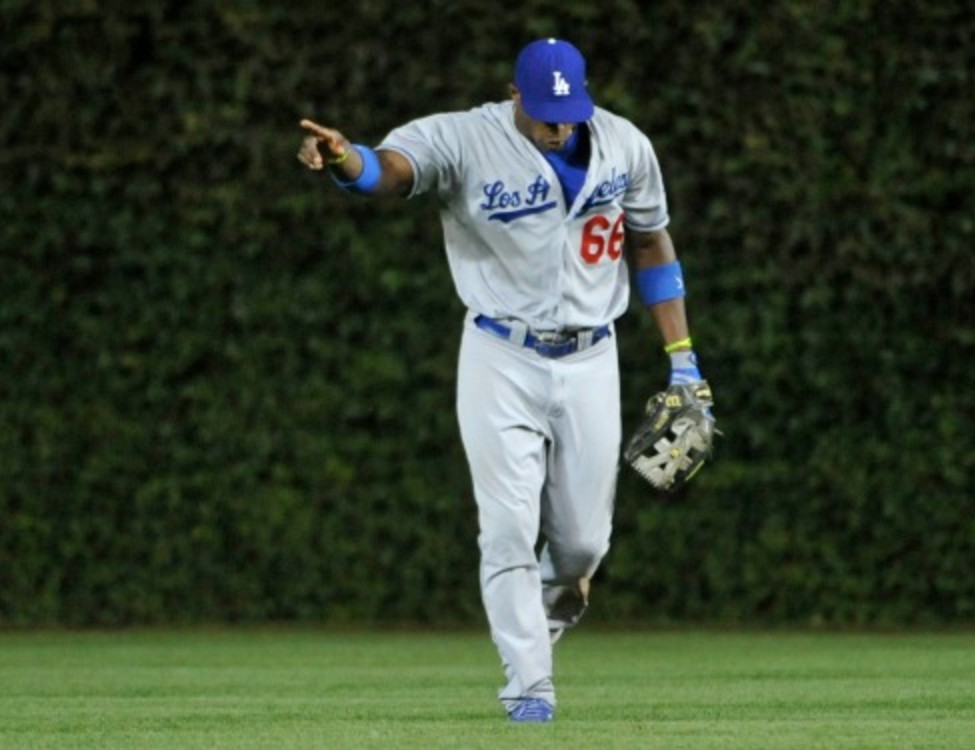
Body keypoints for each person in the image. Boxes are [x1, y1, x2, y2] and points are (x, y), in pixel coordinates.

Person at [297, 37, 707, 723]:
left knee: (583, 545)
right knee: (508, 529)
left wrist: (684, 357)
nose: (558, 125)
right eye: (545, 111)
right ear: (515, 95)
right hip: (500, 355)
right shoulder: (464, 138)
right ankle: (528, 686)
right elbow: (394, 171)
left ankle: (544, 617)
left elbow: (651, 241)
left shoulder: (625, 145)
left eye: (568, 110)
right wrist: (347, 159)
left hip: (590, 358)